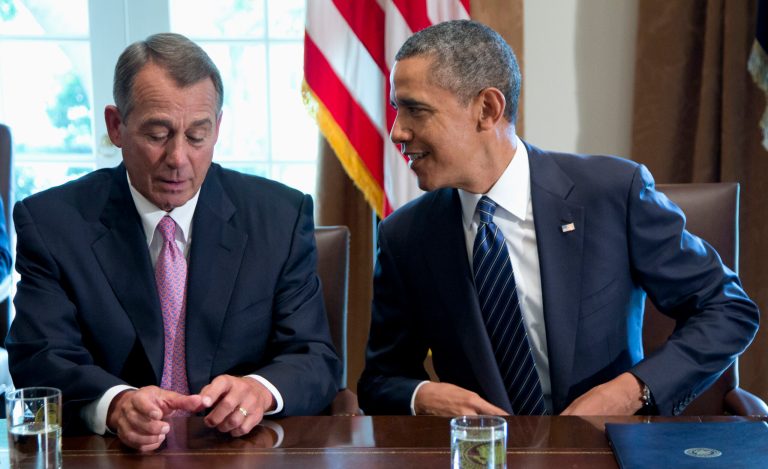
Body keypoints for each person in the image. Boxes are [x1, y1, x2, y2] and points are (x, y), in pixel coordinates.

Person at [358, 20, 760, 417]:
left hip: (606, 450)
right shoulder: (405, 236)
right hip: (483, 457)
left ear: (487, 109)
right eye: (397, 109)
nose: (397, 132)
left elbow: (728, 309)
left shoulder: (612, 194)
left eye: (415, 110)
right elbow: (380, 379)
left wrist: (632, 391)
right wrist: (423, 395)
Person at [6, 33, 341, 451]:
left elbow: (314, 356)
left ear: (218, 128)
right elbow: (39, 356)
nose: (179, 158)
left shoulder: (279, 217)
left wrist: (260, 389)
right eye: (158, 134)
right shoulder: (54, 223)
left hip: (240, 453)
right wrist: (114, 404)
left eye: (197, 135)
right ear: (116, 126)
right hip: (114, 455)